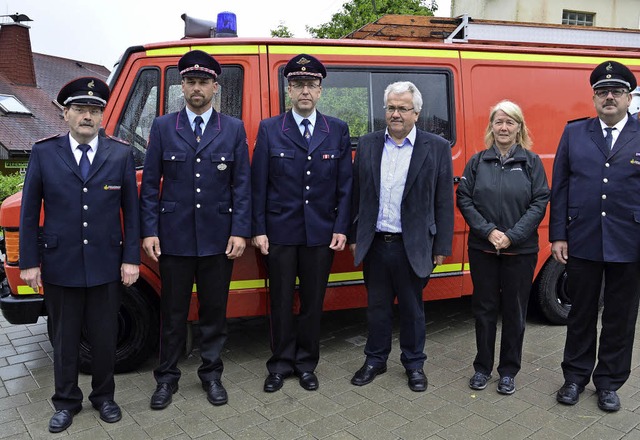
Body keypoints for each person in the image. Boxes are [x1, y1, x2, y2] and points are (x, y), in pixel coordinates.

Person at [19, 77, 140, 433]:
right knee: (65, 339)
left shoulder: (119, 153)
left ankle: (104, 397)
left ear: (102, 117)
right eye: (80, 109)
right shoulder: (44, 151)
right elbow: (29, 211)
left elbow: (132, 213)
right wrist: (29, 263)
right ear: (66, 114)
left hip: (105, 263)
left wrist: (130, 258)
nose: (88, 116)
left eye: (94, 110)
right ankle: (66, 402)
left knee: (105, 337)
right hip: (61, 264)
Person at [140, 50, 251, 409]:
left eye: (204, 82)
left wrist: (239, 231)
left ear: (215, 87)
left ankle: (212, 375)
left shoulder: (232, 128)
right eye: (190, 81)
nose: (197, 88)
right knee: (172, 313)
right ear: (181, 86)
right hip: (173, 238)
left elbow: (242, 186)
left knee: (213, 313)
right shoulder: (162, 127)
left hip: (219, 239)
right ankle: (167, 379)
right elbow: (151, 186)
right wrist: (150, 230)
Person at [251, 54, 352, 393]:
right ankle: (279, 364)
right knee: (279, 302)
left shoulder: (335, 129)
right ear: (289, 89)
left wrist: (340, 227)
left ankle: (307, 363)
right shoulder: (270, 129)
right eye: (298, 85)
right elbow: (258, 184)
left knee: (312, 303)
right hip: (280, 234)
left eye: (311, 85)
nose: (305, 91)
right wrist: (259, 229)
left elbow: (345, 185)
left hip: (321, 234)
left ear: (321, 90)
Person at [349, 81, 454, 392]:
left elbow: (443, 200)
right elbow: (358, 194)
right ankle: (375, 360)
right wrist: (356, 234)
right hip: (377, 244)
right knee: (377, 308)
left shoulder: (436, 147)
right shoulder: (368, 144)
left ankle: (414, 364)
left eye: (402, 108)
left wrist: (442, 245)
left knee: (412, 309)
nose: (395, 114)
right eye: (391, 108)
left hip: (414, 244)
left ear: (416, 113)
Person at [551, 60, 640, 412]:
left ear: (629, 97)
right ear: (593, 98)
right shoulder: (574, 133)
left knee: (621, 316)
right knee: (581, 313)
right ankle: (574, 377)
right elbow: (559, 187)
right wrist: (558, 234)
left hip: (630, 240)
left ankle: (609, 382)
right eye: (602, 92)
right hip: (583, 237)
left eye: (616, 91)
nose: (609, 97)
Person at [456, 100, 550, 395]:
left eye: (511, 122)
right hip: (483, 249)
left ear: (519, 127)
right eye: (499, 121)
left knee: (514, 311)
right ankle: (482, 368)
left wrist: (512, 235)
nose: (504, 127)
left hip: (520, 251)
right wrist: (489, 232)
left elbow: (540, 202)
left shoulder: (532, 163)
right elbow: (464, 199)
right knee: (484, 310)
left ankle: (508, 371)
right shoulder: (476, 161)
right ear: (491, 127)